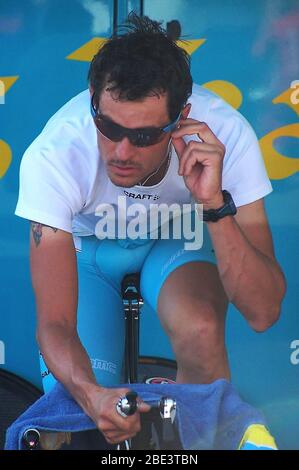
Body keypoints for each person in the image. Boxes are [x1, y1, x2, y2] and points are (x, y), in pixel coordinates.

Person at [15, 13, 286, 446]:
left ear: (181, 118)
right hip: (88, 252)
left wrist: (215, 206)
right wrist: (91, 396)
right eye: (108, 128)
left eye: (142, 136)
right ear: (93, 102)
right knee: (77, 404)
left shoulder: (226, 135)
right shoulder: (56, 153)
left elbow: (263, 311)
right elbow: (56, 323)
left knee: (201, 331)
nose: (121, 152)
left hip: (174, 241)